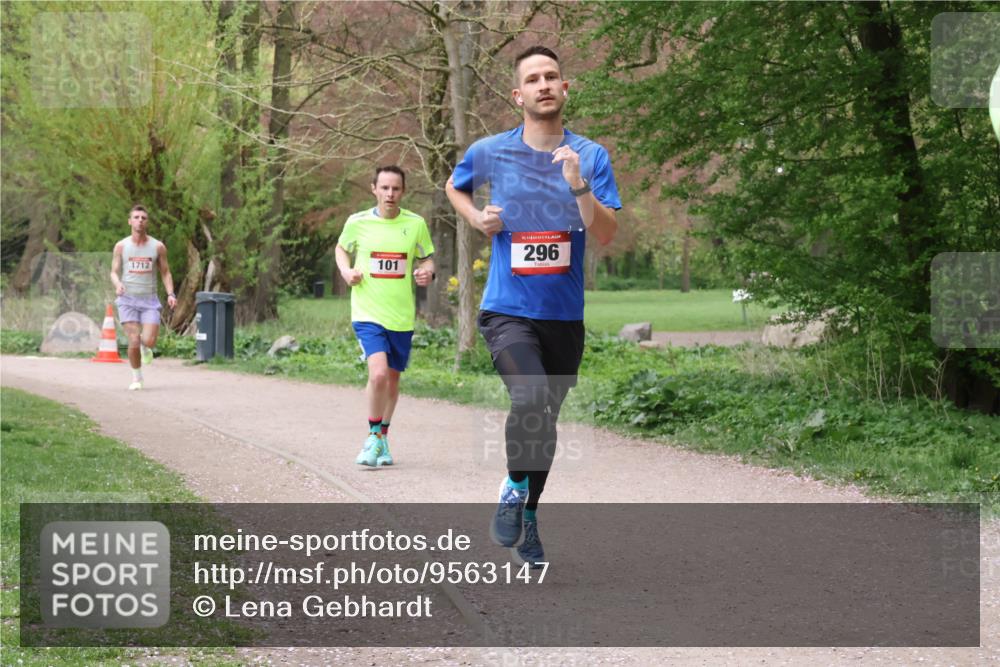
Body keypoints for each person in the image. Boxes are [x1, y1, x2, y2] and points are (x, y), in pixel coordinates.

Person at [446, 46, 621, 567]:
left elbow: (607, 233)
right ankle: (512, 488)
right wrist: (477, 219)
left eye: (552, 76)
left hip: (564, 318)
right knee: (529, 400)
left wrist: (578, 186)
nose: (544, 84)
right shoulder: (491, 151)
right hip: (508, 310)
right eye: (533, 79)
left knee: (543, 421)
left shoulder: (590, 156)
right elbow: (456, 189)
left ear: (565, 89)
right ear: (517, 95)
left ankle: (529, 515)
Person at [336, 165, 435, 467]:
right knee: (378, 373)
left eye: (396, 189)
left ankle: (383, 439)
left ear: (403, 191)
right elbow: (341, 248)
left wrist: (426, 273)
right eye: (385, 188)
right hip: (367, 311)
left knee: (392, 380)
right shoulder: (358, 222)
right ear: (374, 189)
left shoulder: (415, 224)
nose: (390, 194)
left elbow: (427, 257)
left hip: (401, 315)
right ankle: (373, 436)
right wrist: (346, 271)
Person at [110, 205, 177, 390]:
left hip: (149, 301)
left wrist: (171, 293)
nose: (140, 220)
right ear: (130, 221)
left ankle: (145, 347)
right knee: (133, 339)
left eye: (143, 218)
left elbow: (165, 272)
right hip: (127, 299)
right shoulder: (121, 246)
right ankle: (137, 378)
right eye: (136, 217)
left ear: (147, 222)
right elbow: (114, 272)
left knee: (148, 340)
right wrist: (118, 284)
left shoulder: (157, 247)